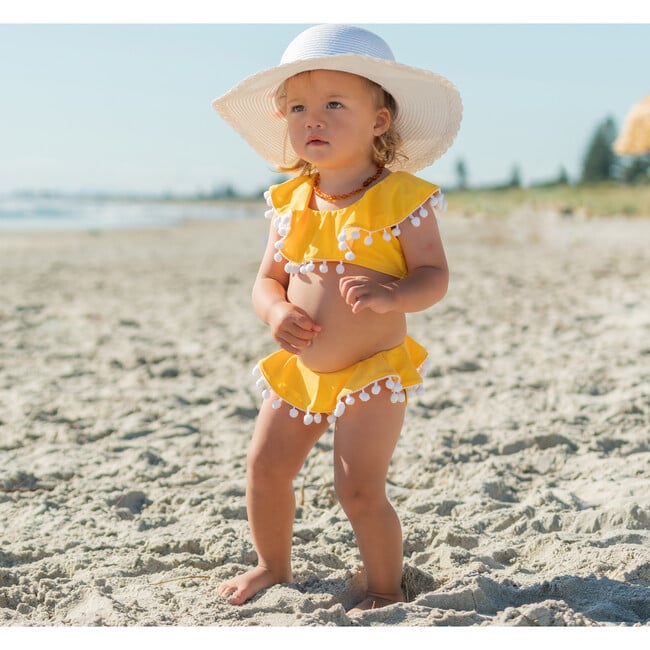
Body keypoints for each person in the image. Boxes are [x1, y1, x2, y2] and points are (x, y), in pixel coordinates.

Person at [212, 23, 462, 614]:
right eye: (298, 107)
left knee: (357, 487)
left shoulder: (402, 198)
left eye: (332, 104)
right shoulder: (290, 201)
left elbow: (435, 277)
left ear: (379, 121)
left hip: (371, 371)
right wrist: (274, 311)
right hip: (302, 369)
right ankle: (272, 565)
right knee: (266, 467)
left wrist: (394, 295)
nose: (312, 119)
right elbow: (267, 279)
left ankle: (382, 586)